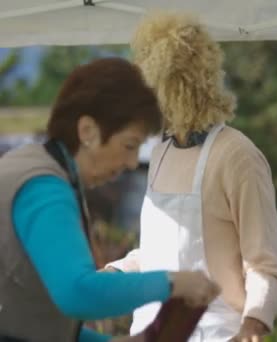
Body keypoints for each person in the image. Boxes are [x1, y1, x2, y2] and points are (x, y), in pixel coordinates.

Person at [0, 58, 219, 342]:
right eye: (129, 145)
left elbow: (30, 318)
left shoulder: (31, 168)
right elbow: (77, 293)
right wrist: (173, 282)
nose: (131, 163)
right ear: (88, 131)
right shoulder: (43, 187)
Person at [105, 12, 277, 342]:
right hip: (149, 332)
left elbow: (265, 264)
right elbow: (159, 254)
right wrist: (113, 273)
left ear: (176, 91)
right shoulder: (161, 152)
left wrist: (254, 324)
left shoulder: (238, 156)